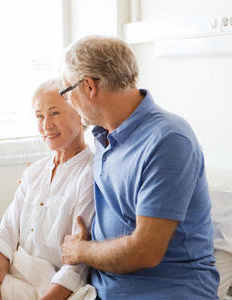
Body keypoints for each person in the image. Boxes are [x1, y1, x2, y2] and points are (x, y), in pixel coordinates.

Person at [59, 36, 220, 299]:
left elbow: (145, 251)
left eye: (67, 92)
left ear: (88, 86)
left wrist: (80, 250)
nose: (68, 102)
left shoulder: (167, 140)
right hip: (101, 286)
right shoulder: (104, 138)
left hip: (164, 290)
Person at [0, 78, 96, 300]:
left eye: (55, 113)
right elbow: (5, 233)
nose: (46, 125)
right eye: (39, 116)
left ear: (80, 113)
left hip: (43, 284)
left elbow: (77, 267)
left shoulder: (89, 175)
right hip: (7, 267)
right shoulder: (34, 172)